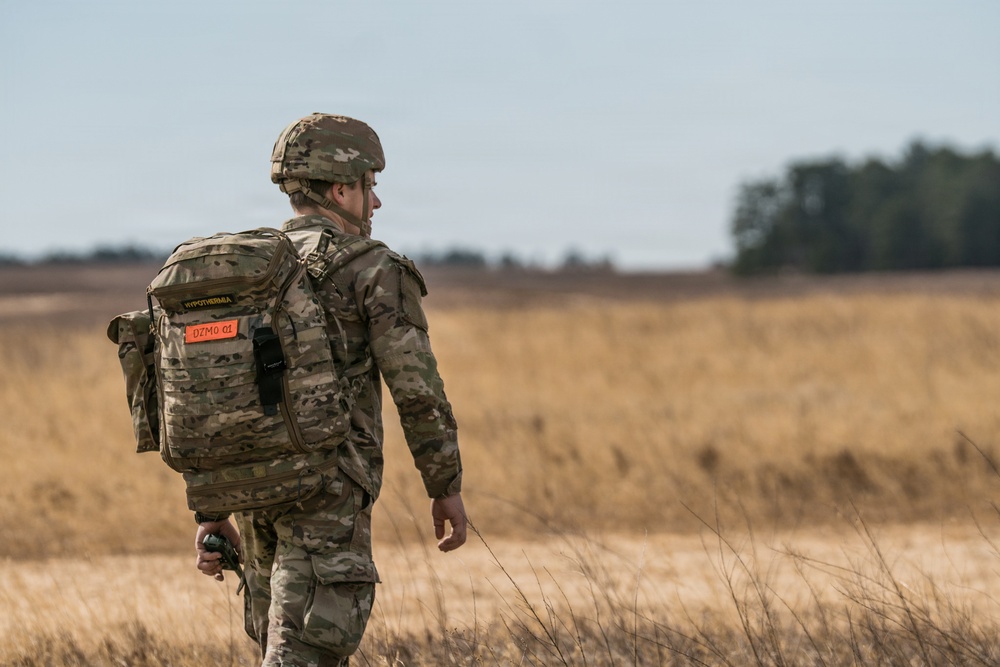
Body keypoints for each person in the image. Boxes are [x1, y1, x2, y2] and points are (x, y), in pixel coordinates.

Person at [192, 113, 467, 666]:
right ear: (341, 190)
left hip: (255, 489)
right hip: (327, 492)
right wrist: (445, 485)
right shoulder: (373, 269)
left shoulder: (248, 269)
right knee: (302, 656)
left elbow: (212, 395)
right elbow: (418, 391)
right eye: (370, 185)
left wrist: (213, 508)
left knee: (280, 648)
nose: (376, 202)